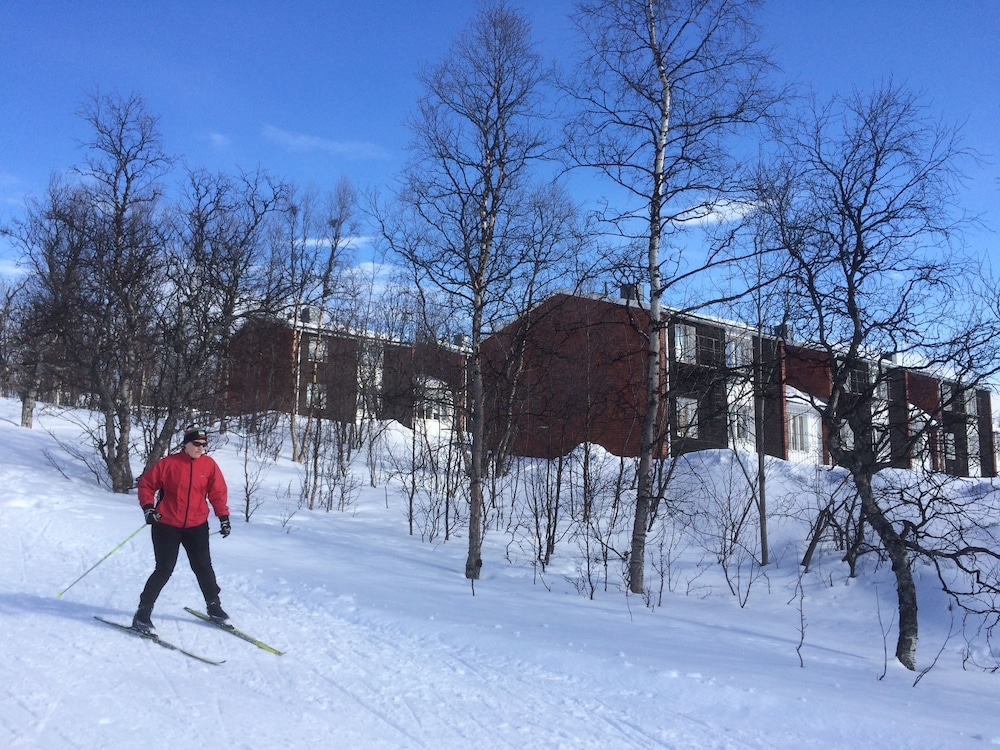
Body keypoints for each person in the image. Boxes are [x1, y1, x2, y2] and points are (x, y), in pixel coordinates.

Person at [132, 424, 232, 635]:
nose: (201, 448)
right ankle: (143, 612)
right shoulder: (168, 464)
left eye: (204, 445)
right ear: (185, 444)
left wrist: (223, 517)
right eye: (196, 444)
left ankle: (214, 606)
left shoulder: (209, 466)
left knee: (203, 566)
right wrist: (148, 508)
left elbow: (218, 493)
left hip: (197, 525)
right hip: (166, 524)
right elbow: (146, 485)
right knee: (164, 568)